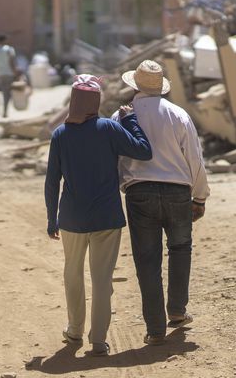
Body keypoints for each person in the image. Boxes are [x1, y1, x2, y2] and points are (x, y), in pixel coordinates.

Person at [44, 73, 152, 357]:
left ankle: (74, 330)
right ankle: (99, 340)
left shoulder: (60, 135)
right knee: (102, 280)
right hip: (106, 217)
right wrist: (130, 122)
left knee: (72, 274)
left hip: (71, 218)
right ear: (96, 101)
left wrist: (50, 218)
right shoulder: (108, 128)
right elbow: (143, 151)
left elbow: (52, 181)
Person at [115, 60, 209, 345]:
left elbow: (116, 157)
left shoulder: (121, 116)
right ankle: (178, 311)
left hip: (139, 193)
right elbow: (194, 157)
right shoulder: (177, 114)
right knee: (181, 249)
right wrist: (200, 196)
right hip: (178, 191)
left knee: (147, 260)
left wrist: (124, 184)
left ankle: (155, 329)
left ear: (134, 85)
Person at [0, 34, 16, 117]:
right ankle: (5, 110)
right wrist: (15, 71)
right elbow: (12, 62)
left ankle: (5, 109)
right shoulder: (9, 49)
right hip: (8, 73)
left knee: (4, 92)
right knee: (7, 92)